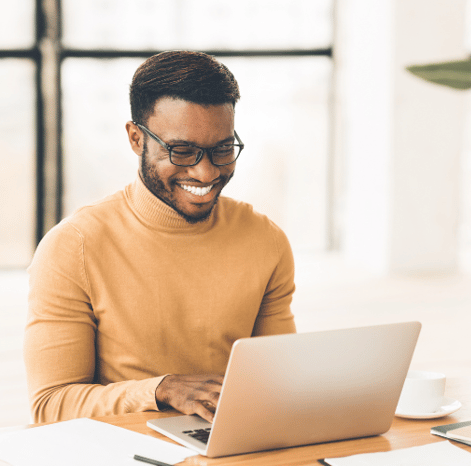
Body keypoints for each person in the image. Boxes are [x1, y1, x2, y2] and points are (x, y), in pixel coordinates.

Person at [24, 51, 296, 424]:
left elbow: (280, 380)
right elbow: (51, 405)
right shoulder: (73, 247)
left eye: (222, 149)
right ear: (137, 139)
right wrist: (160, 389)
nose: (205, 172)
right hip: (122, 450)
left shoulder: (266, 240)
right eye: (182, 151)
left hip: (233, 443)